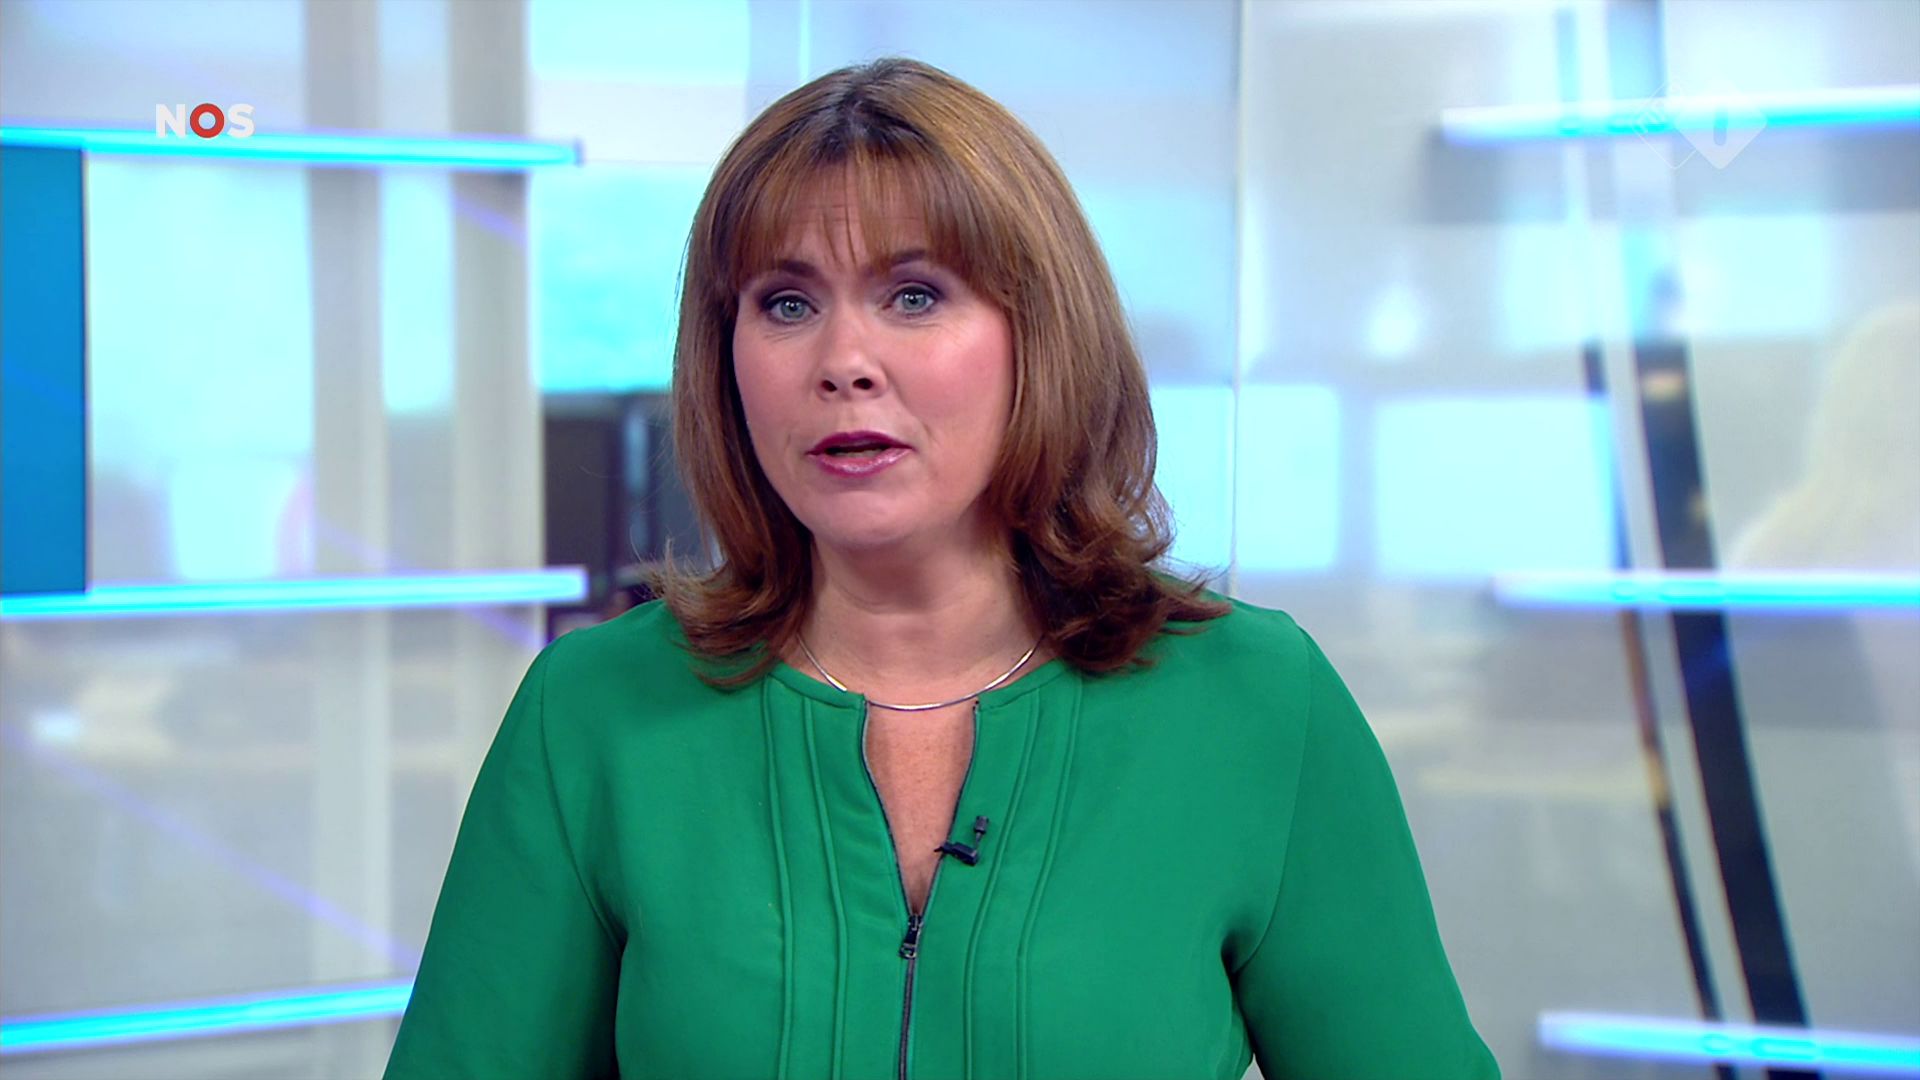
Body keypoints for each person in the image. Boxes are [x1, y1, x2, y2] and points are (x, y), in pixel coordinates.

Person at [384, 57, 1497, 1080]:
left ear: (1036, 336)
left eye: (914, 295)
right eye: (786, 304)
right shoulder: (594, 715)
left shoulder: (1255, 706)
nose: (844, 363)